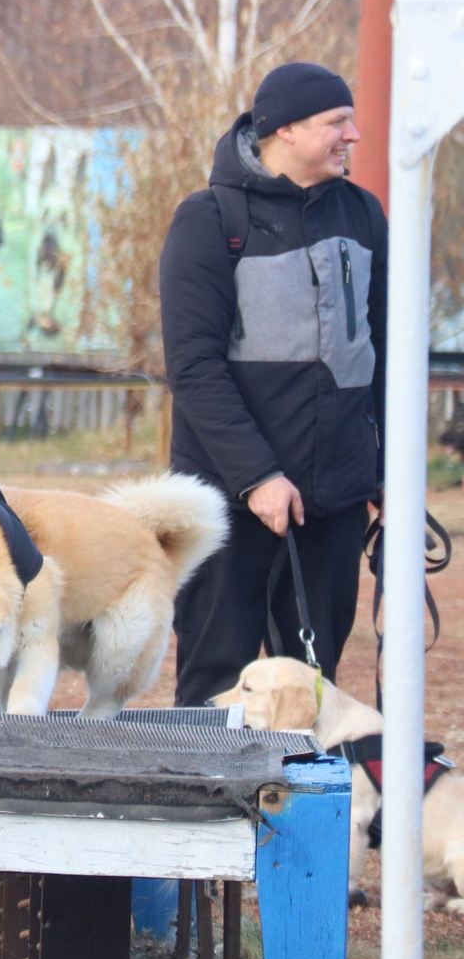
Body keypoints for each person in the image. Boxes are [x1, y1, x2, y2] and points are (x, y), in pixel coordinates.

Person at [161, 61, 385, 707]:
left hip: (334, 502)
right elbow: (193, 367)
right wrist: (258, 476)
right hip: (225, 504)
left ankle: (302, 808)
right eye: (337, 122)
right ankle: (207, 803)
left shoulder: (363, 215)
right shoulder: (208, 220)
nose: (354, 135)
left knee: (313, 690)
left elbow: (386, 355)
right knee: (212, 686)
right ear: (285, 129)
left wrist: (388, 474)